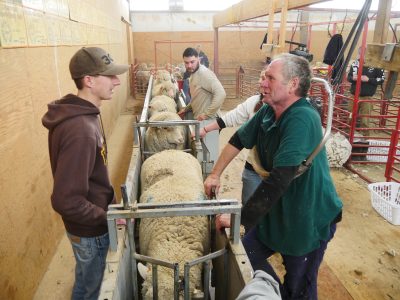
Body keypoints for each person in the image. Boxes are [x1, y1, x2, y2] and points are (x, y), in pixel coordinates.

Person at [204, 53, 343, 300]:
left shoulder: (302, 117)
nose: (263, 82)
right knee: (244, 254)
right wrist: (215, 174)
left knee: (299, 286)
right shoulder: (268, 111)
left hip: (307, 217)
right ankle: (268, 289)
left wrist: (241, 218)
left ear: (292, 84)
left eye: (270, 77)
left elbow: (280, 178)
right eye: (264, 77)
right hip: (279, 209)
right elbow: (238, 139)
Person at [42, 47, 129, 300]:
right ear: (89, 81)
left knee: (86, 281)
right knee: (94, 289)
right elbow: (65, 200)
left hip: (89, 224)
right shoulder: (80, 128)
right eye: (109, 76)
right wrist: (106, 218)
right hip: (91, 231)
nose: (117, 81)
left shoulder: (85, 115)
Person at [198, 67, 269, 210]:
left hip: (280, 173)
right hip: (254, 166)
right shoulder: (255, 104)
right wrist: (205, 129)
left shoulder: (295, 114)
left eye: (268, 78)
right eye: (261, 78)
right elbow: (233, 123)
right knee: (251, 207)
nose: (261, 83)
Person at [180, 47, 226, 162]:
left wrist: (206, 114)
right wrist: (187, 108)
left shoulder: (205, 74)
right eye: (186, 63)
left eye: (192, 62)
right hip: (202, 120)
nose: (189, 65)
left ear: (198, 60)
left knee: (209, 156)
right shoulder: (193, 75)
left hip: (210, 120)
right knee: (202, 154)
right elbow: (197, 96)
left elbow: (221, 94)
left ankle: (212, 177)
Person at [347, 48, 385, 136]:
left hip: (367, 96)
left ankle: (364, 136)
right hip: (353, 95)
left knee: (365, 117)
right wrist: (352, 78)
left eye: (363, 54)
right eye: (360, 53)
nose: (361, 56)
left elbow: (381, 79)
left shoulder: (377, 65)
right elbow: (349, 77)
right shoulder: (355, 63)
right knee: (350, 115)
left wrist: (369, 79)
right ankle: (348, 132)